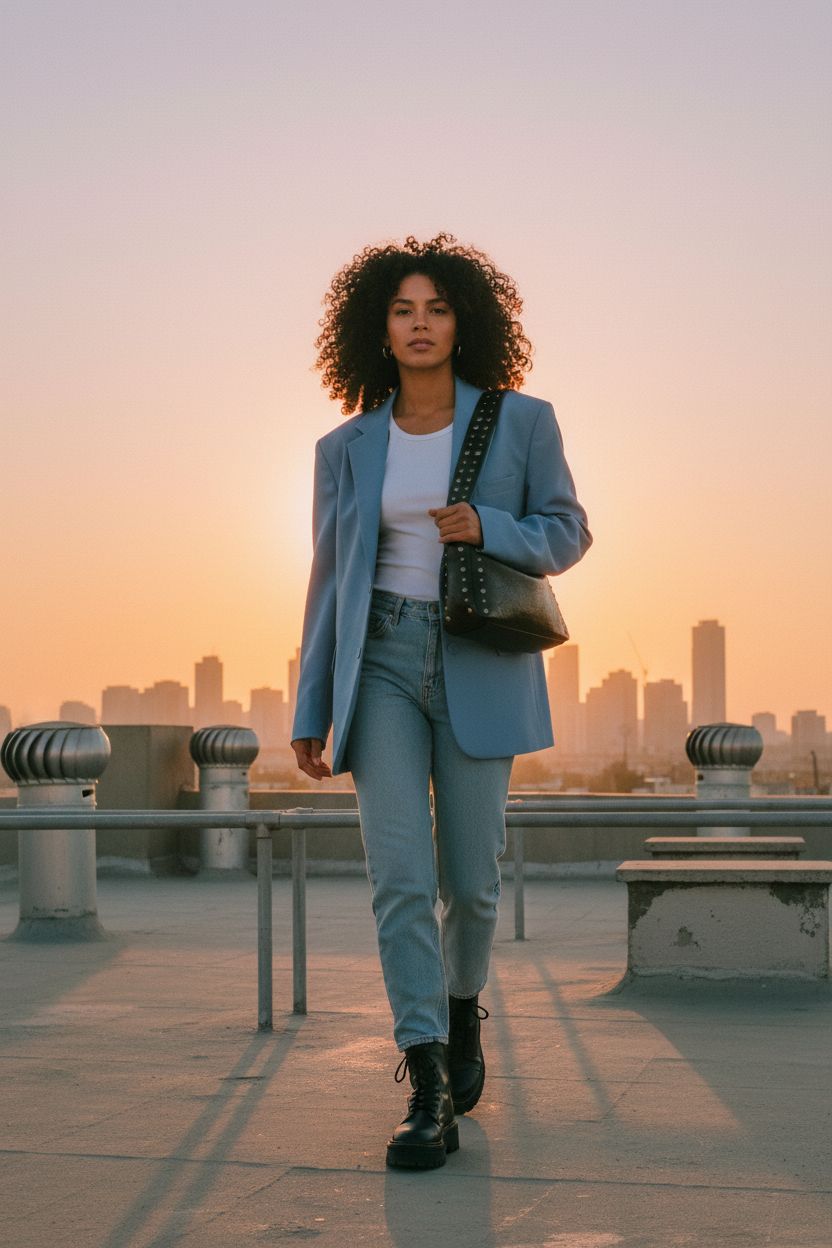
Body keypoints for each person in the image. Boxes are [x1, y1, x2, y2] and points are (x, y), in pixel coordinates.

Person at [291, 234, 591, 1170]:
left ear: (466, 322)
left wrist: (489, 525)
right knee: (398, 876)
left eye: (437, 309)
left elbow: (570, 531)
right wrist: (312, 703)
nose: (420, 325)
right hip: (377, 659)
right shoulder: (343, 445)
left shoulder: (522, 423)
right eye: (402, 310)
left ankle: (464, 1018)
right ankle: (425, 1077)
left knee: (470, 880)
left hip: (476, 657)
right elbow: (328, 575)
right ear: (376, 328)